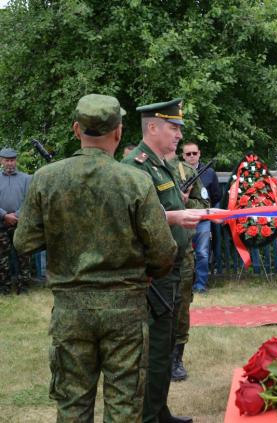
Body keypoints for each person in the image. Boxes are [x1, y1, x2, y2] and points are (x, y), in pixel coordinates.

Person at [13, 94, 178, 422]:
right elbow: (164, 252)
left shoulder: (47, 178)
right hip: (125, 312)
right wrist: (145, 272)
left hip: (71, 310)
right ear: (118, 132)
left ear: (76, 129)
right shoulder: (135, 181)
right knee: (123, 407)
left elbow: (24, 242)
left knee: (72, 406)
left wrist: (65, 230)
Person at [122, 98, 208, 423]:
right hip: (152, 275)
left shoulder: (164, 165)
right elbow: (133, 213)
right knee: (154, 350)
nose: (178, 135)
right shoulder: (136, 166)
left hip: (171, 270)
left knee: (166, 345)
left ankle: (159, 411)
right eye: (173, 127)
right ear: (153, 127)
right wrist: (173, 217)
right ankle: (148, 416)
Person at [165, 150, 208, 382]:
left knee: (181, 304)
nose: (174, 136)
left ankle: (176, 359)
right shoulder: (145, 170)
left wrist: (186, 201)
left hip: (183, 248)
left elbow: (204, 203)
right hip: (154, 248)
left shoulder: (187, 171)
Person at [182, 141, 221, 292]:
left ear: (199, 154)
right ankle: (186, 284)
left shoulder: (209, 172)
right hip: (184, 218)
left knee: (203, 252)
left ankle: (200, 285)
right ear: (183, 156)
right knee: (184, 252)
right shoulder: (177, 171)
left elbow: (216, 195)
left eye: (194, 153)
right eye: (188, 154)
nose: (191, 156)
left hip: (204, 218)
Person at [0, 147, 32, 295]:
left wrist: (16, 216)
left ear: (16, 161)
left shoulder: (26, 178)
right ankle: (4, 287)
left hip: (21, 224)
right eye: (7, 160)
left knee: (24, 257)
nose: (10, 163)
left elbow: (30, 201)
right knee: (2, 258)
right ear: (1, 161)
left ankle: (24, 287)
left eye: (12, 160)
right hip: (1, 224)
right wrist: (4, 215)